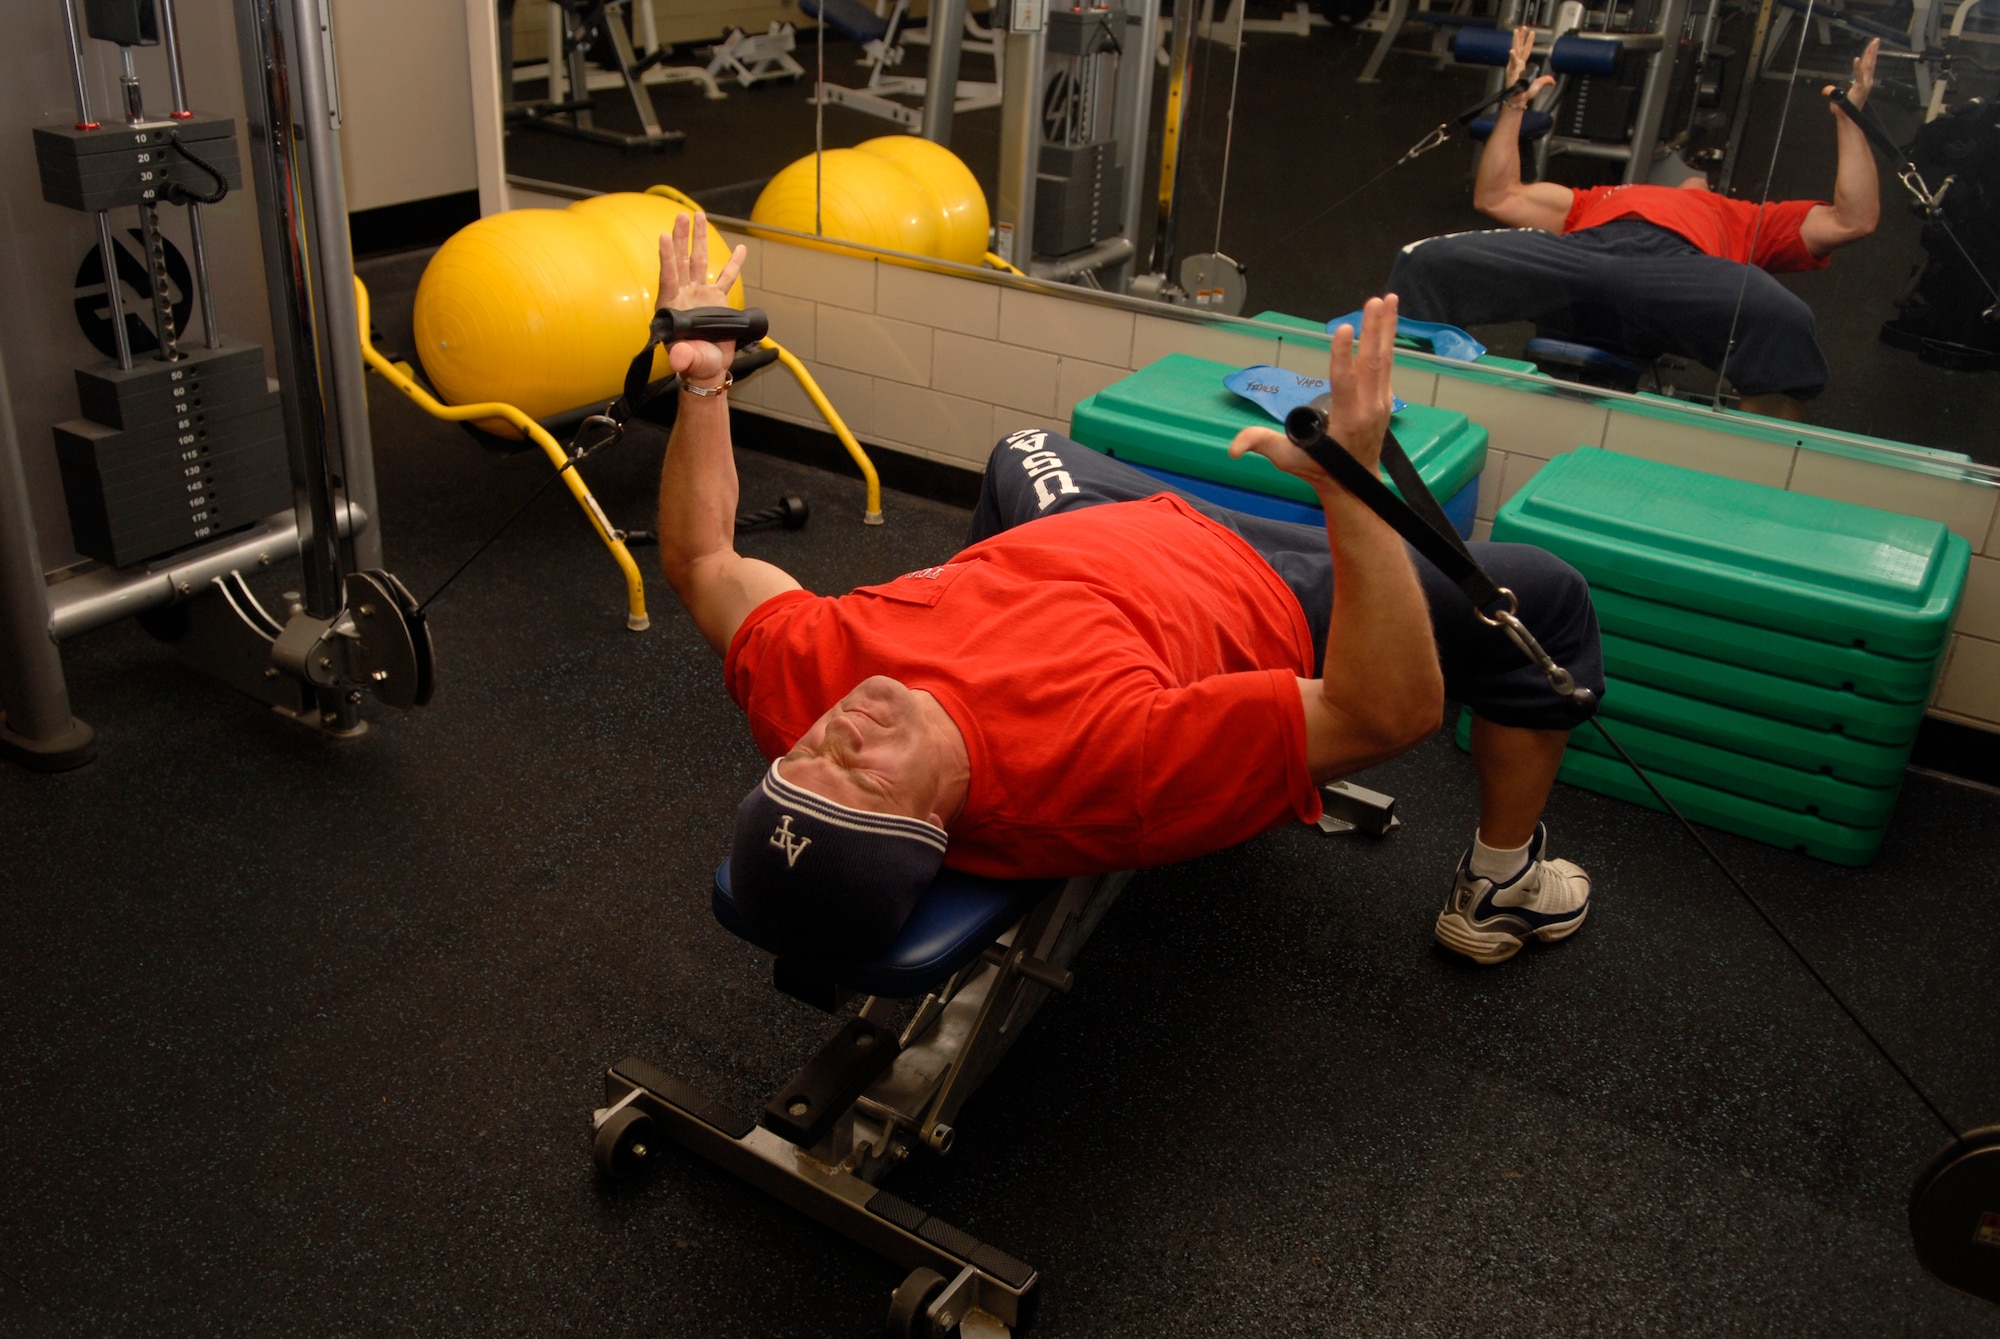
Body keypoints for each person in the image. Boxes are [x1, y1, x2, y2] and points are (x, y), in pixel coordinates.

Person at [650, 212, 1604, 967]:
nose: (845, 726)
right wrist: (1350, 485)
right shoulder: (1112, 766)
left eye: (811, 751)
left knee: (1017, 450)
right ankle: (1501, 885)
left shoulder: (803, 682)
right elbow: (1384, 712)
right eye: (860, 774)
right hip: (1263, 587)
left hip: (1081, 537)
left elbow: (702, 561)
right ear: (929, 823)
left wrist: (702, 383)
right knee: (1543, 595)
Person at [1387, 29, 1883, 420]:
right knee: (1425, 260)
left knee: (1785, 319)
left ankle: (1762, 465)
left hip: (1679, 271)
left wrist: (1850, 119)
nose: (1693, 179)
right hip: (1581, 254)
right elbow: (1498, 195)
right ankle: (1410, 412)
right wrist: (1515, 102)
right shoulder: (1600, 197)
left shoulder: (1746, 217)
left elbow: (1853, 220)